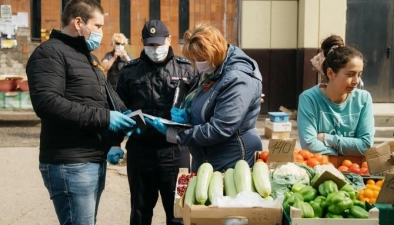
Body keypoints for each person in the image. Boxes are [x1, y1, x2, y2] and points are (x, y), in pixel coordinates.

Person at [26, 0, 137, 224]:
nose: (101, 33)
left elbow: (108, 98)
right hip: (71, 162)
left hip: (92, 159)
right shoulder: (49, 53)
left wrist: (133, 116)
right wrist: (106, 118)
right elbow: (47, 103)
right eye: (98, 26)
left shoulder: (89, 58)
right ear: (78, 22)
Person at [108, 20, 196, 225]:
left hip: (175, 151)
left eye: (159, 44)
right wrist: (113, 143)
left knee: (178, 213)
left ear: (169, 40)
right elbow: (119, 108)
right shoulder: (130, 71)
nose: (155, 49)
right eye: (150, 45)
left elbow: (199, 108)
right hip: (141, 151)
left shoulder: (187, 70)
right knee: (140, 212)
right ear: (142, 43)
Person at [145, 23, 263, 172]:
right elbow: (203, 100)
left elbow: (220, 128)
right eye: (193, 59)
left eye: (200, 58)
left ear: (216, 51)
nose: (197, 63)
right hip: (206, 157)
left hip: (233, 161)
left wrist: (177, 133)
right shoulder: (213, 69)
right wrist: (187, 113)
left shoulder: (237, 78)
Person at [297, 35, 375, 156]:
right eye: (350, 74)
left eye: (359, 74)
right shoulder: (309, 99)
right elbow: (309, 145)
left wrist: (327, 138)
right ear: (331, 73)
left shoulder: (363, 99)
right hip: (320, 169)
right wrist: (348, 150)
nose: (356, 81)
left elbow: (366, 145)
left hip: (354, 171)